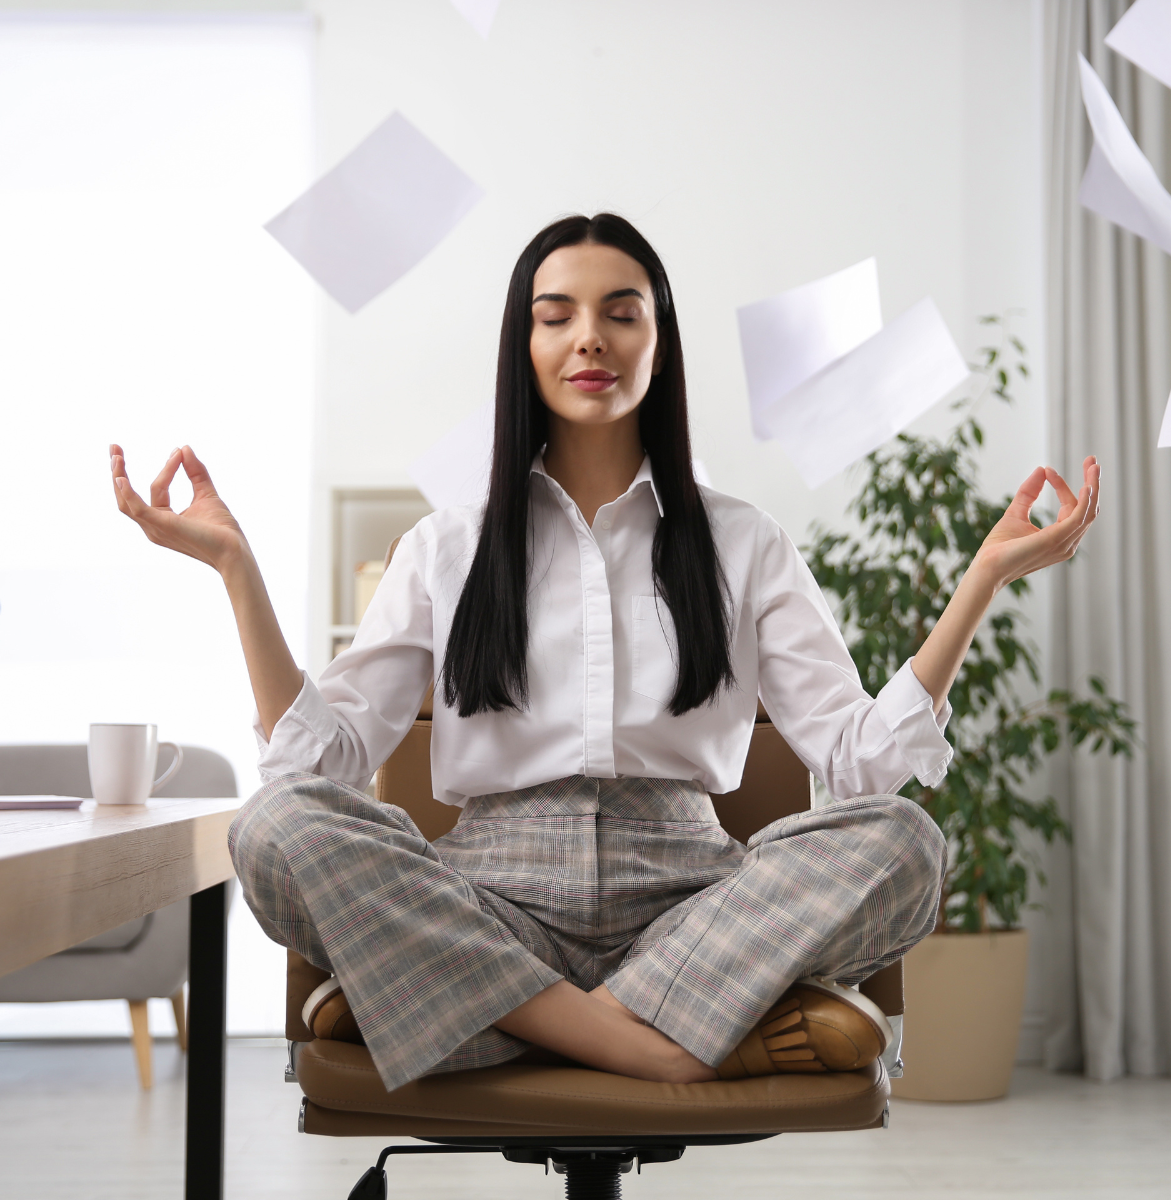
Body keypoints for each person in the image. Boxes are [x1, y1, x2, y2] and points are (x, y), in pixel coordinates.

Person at [110, 213, 1100, 1093]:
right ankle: (657, 1043)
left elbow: (862, 766)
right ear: (524, 344)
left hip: (691, 906)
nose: (591, 336)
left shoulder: (744, 541)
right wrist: (237, 570)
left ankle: (480, 1021)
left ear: (659, 343)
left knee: (905, 846)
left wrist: (981, 585)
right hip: (486, 899)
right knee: (277, 825)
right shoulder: (446, 545)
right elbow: (316, 766)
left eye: (622, 312)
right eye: (557, 315)